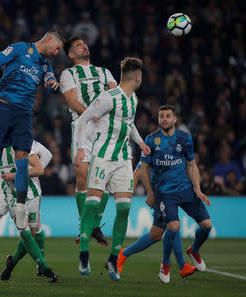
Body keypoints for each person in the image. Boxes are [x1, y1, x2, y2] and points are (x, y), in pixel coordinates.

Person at [0, 28, 63, 282]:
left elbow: (50, 78)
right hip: (4, 108)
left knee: (21, 158)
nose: (58, 52)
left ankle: (18, 204)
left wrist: (52, 83)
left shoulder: (45, 63)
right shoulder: (19, 49)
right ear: (50, 39)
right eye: (58, 47)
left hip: (24, 115)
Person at [74, 57, 150, 281]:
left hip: (124, 159)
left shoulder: (133, 99)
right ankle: (84, 252)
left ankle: (113, 258)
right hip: (103, 158)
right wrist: (81, 149)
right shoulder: (108, 97)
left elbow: (128, 123)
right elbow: (83, 120)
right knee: (93, 203)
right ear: (137, 77)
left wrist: (140, 142)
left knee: (125, 208)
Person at [117, 105, 212, 283]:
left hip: (184, 189)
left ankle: (193, 252)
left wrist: (198, 190)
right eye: (161, 117)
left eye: (168, 116)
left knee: (201, 226)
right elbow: (140, 170)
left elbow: (191, 165)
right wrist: (149, 194)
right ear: (158, 119)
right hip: (164, 193)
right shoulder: (151, 141)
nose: (165, 119)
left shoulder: (185, 138)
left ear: (175, 119)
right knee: (173, 226)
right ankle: (176, 265)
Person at [60, 36, 118, 246]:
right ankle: (87, 225)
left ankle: (93, 225)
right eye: (78, 45)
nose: (84, 45)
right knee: (82, 178)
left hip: (106, 128)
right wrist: (93, 113)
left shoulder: (104, 72)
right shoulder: (68, 73)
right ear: (71, 55)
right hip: (84, 125)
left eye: (84, 43)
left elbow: (116, 94)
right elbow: (72, 100)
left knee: (104, 181)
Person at [0, 140, 54, 281]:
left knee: (34, 230)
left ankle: (13, 262)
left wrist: (28, 173)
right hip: (4, 188)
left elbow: (47, 155)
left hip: (30, 189)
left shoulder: (26, 141)